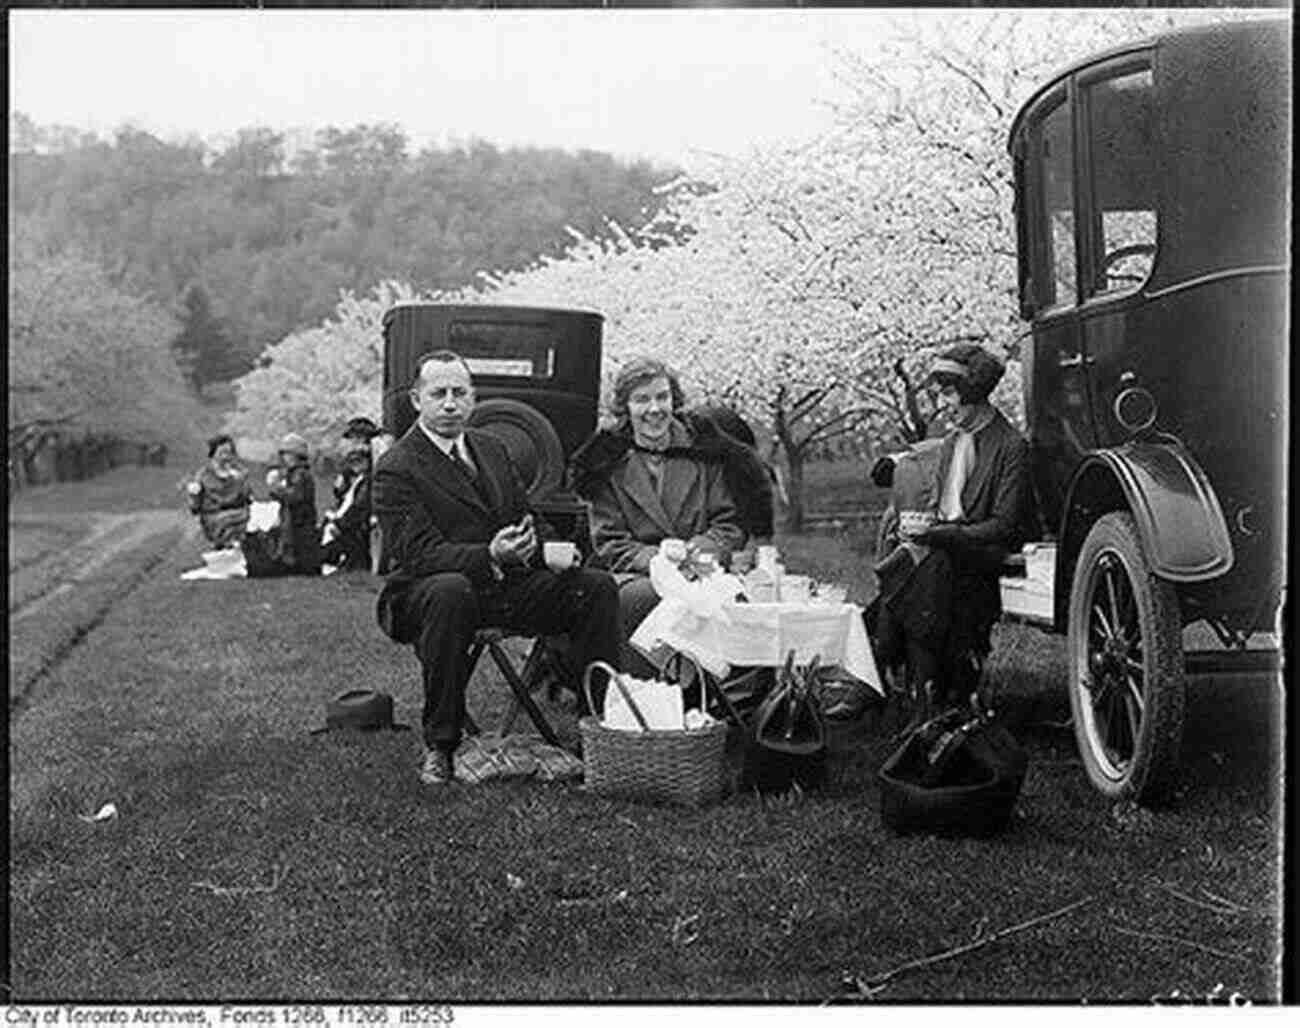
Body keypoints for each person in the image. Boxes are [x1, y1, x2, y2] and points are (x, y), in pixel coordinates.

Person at [371, 350, 622, 786]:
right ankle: (441, 745)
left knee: (596, 587)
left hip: (501, 588)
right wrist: (490, 554)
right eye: (438, 394)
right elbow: (418, 555)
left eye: (459, 393)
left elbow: (524, 513)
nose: (450, 403)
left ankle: (598, 732)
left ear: (473, 397)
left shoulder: (491, 447)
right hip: (425, 595)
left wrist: (548, 547)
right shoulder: (397, 466)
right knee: (451, 589)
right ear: (416, 400)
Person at [871, 343, 1035, 711]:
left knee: (921, 575)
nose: (942, 404)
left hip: (980, 553)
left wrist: (943, 535)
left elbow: (1004, 526)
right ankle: (921, 692)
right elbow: (940, 507)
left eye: (948, 394)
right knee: (914, 566)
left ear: (973, 393)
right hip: (943, 547)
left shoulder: (1010, 446)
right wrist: (922, 529)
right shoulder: (950, 443)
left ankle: (895, 672)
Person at [570, 357, 746, 676]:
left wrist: (696, 554)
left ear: (674, 400)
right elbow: (610, 543)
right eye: (642, 399)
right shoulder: (604, 460)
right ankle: (644, 703)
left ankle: (718, 703)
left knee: (738, 597)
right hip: (638, 573)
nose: (654, 409)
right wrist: (659, 560)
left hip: (703, 566)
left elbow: (729, 524)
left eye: (662, 397)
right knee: (643, 598)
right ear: (625, 408)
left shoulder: (706, 449)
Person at [321, 415, 382, 572]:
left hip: (363, 519)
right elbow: (342, 493)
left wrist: (340, 523)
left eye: (358, 437)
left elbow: (361, 504)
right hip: (350, 514)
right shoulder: (349, 470)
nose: (356, 442)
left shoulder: (373, 464)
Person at [264, 432, 322, 576]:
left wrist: (276, 489)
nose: (284, 458)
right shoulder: (296, 473)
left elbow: (295, 497)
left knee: (296, 545)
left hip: (300, 522)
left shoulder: (300, 474)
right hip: (299, 521)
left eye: (287, 454)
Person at [185, 434, 252, 548]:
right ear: (213, 454)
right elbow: (194, 508)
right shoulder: (204, 475)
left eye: (229, 452)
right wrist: (194, 495)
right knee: (229, 522)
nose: (226, 457)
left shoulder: (238, 473)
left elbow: (248, 498)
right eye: (222, 453)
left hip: (239, 515)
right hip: (216, 519)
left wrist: (241, 482)